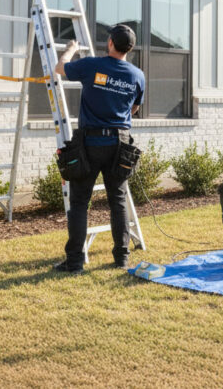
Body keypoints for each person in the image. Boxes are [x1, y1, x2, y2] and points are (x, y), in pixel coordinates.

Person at [51, 24, 145, 274]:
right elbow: (134, 108)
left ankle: (74, 263)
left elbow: (59, 69)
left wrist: (70, 49)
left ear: (110, 44)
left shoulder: (92, 65)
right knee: (118, 200)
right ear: (130, 48)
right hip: (120, 144)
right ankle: (122, 259)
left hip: (90, 143)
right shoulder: (138, 75)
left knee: (80, 202)